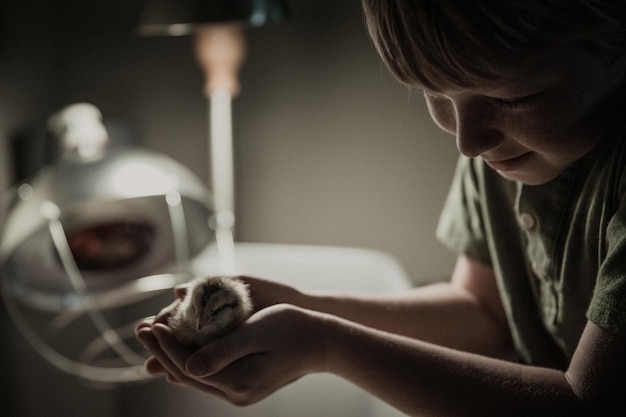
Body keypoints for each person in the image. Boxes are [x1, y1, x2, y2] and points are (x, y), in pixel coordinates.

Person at [135, 1, 626, 415]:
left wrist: (327, 346)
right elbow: (485, 316)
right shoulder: (507, 149)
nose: (468, 141)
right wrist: (304, 307)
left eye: (513, 98)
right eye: (434, 92)